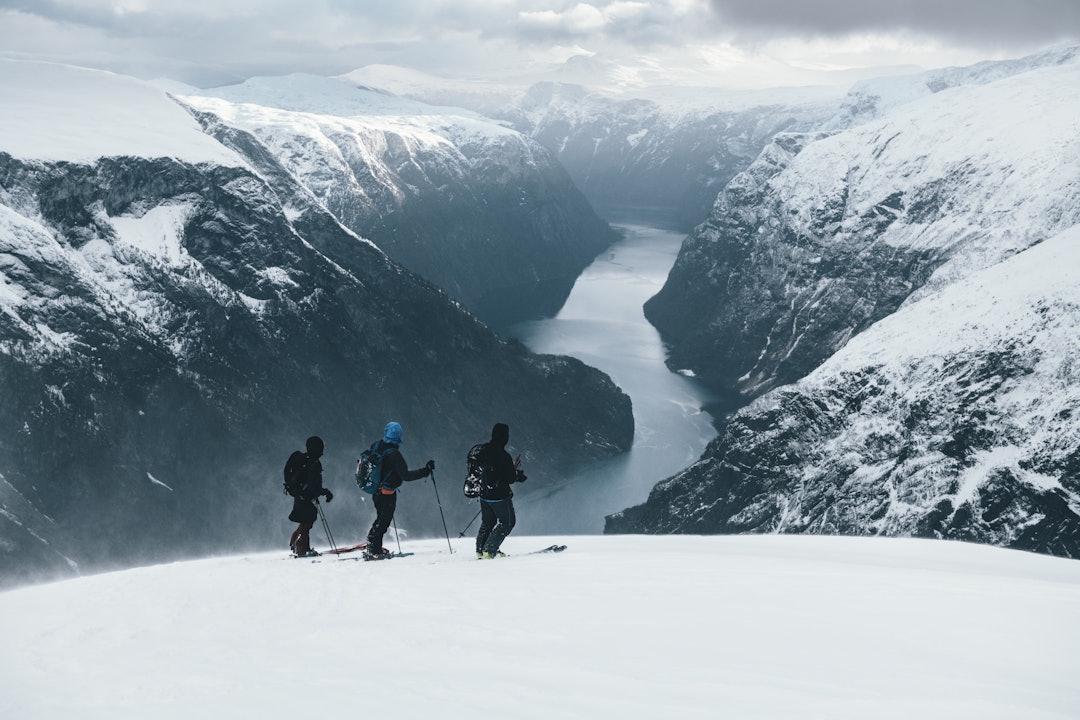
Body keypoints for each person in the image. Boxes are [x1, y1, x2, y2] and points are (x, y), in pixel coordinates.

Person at [363, 421, 435, 560]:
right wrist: (425, 471)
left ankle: (374, 546)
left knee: (380, 518)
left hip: (375, 490)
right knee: (384, 521)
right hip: (387, 493)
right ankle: (374, 550)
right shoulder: (394, 455)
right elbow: (406, 476)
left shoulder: (375, 446)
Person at [475, 422, 526, 559]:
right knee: (507, 522)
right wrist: (517, 474)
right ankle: (489, 550)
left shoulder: (483, 450)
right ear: (504, 437)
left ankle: (480, 549)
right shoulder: (503, 456)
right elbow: (510, 478)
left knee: (488, 522)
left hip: (484, 494)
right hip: (499, 497)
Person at [288, 435, 333, 557]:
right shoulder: (313, 463)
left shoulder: (305, 460)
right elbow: (313, 484)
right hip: (307, 496)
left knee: (306, 522)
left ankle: (296, 542)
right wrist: (325, 492)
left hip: (300, 495)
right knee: (307, 522)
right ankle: (302, 549)